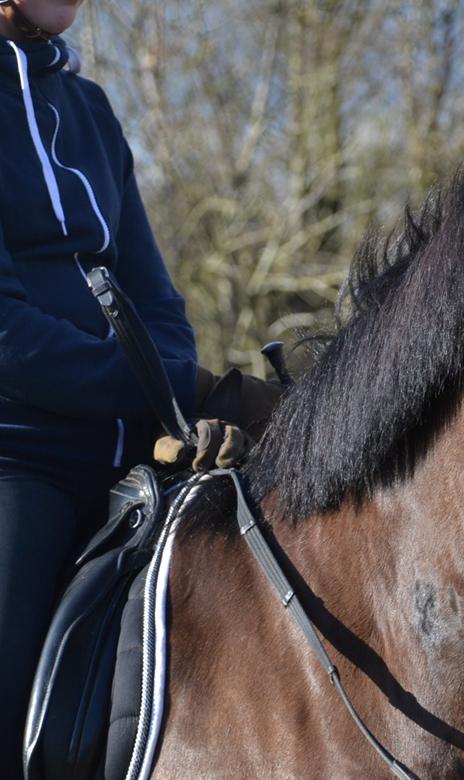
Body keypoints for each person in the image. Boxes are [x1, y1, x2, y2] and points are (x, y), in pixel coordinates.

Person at [0, 0, 280, 770]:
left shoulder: (87, 107)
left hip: (132, 438)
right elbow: (7, 335)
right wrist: (156, 387)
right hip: (19, 454)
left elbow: (155, 297)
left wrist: (187, 393)